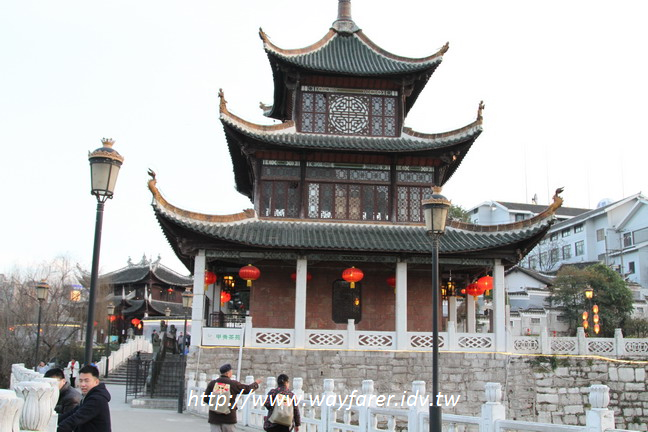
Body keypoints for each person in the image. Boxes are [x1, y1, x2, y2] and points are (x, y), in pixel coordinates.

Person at [203, 363, 262, 432]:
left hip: (214, 417)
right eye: (231, 372)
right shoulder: (233, 384)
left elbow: (206, 399)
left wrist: (216, 404)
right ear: (227, 373)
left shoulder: (213, 384)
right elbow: (247, 389)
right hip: (228, 417)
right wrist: (256, 383)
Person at [57, 365, 111, 432]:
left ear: (96, 382)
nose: (83, 384)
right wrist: (54, 420)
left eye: (86, 381)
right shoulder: (89, 396)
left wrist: (57, 429)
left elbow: (76, 418)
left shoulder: (97, 399)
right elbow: (72, 413)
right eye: (80, 381)